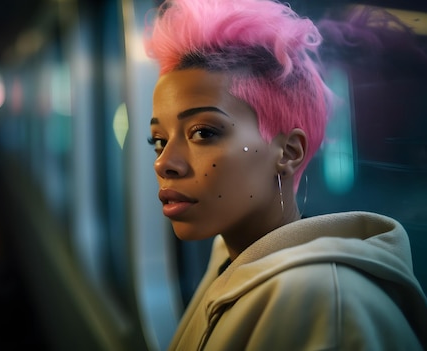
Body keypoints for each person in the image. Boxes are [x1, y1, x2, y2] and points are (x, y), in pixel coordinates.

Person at [143, 0, 427, 349]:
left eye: (203, 132)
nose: (164, 163)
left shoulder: (325, 304)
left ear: (289, 152)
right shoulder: (229, 259)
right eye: (158, 140)